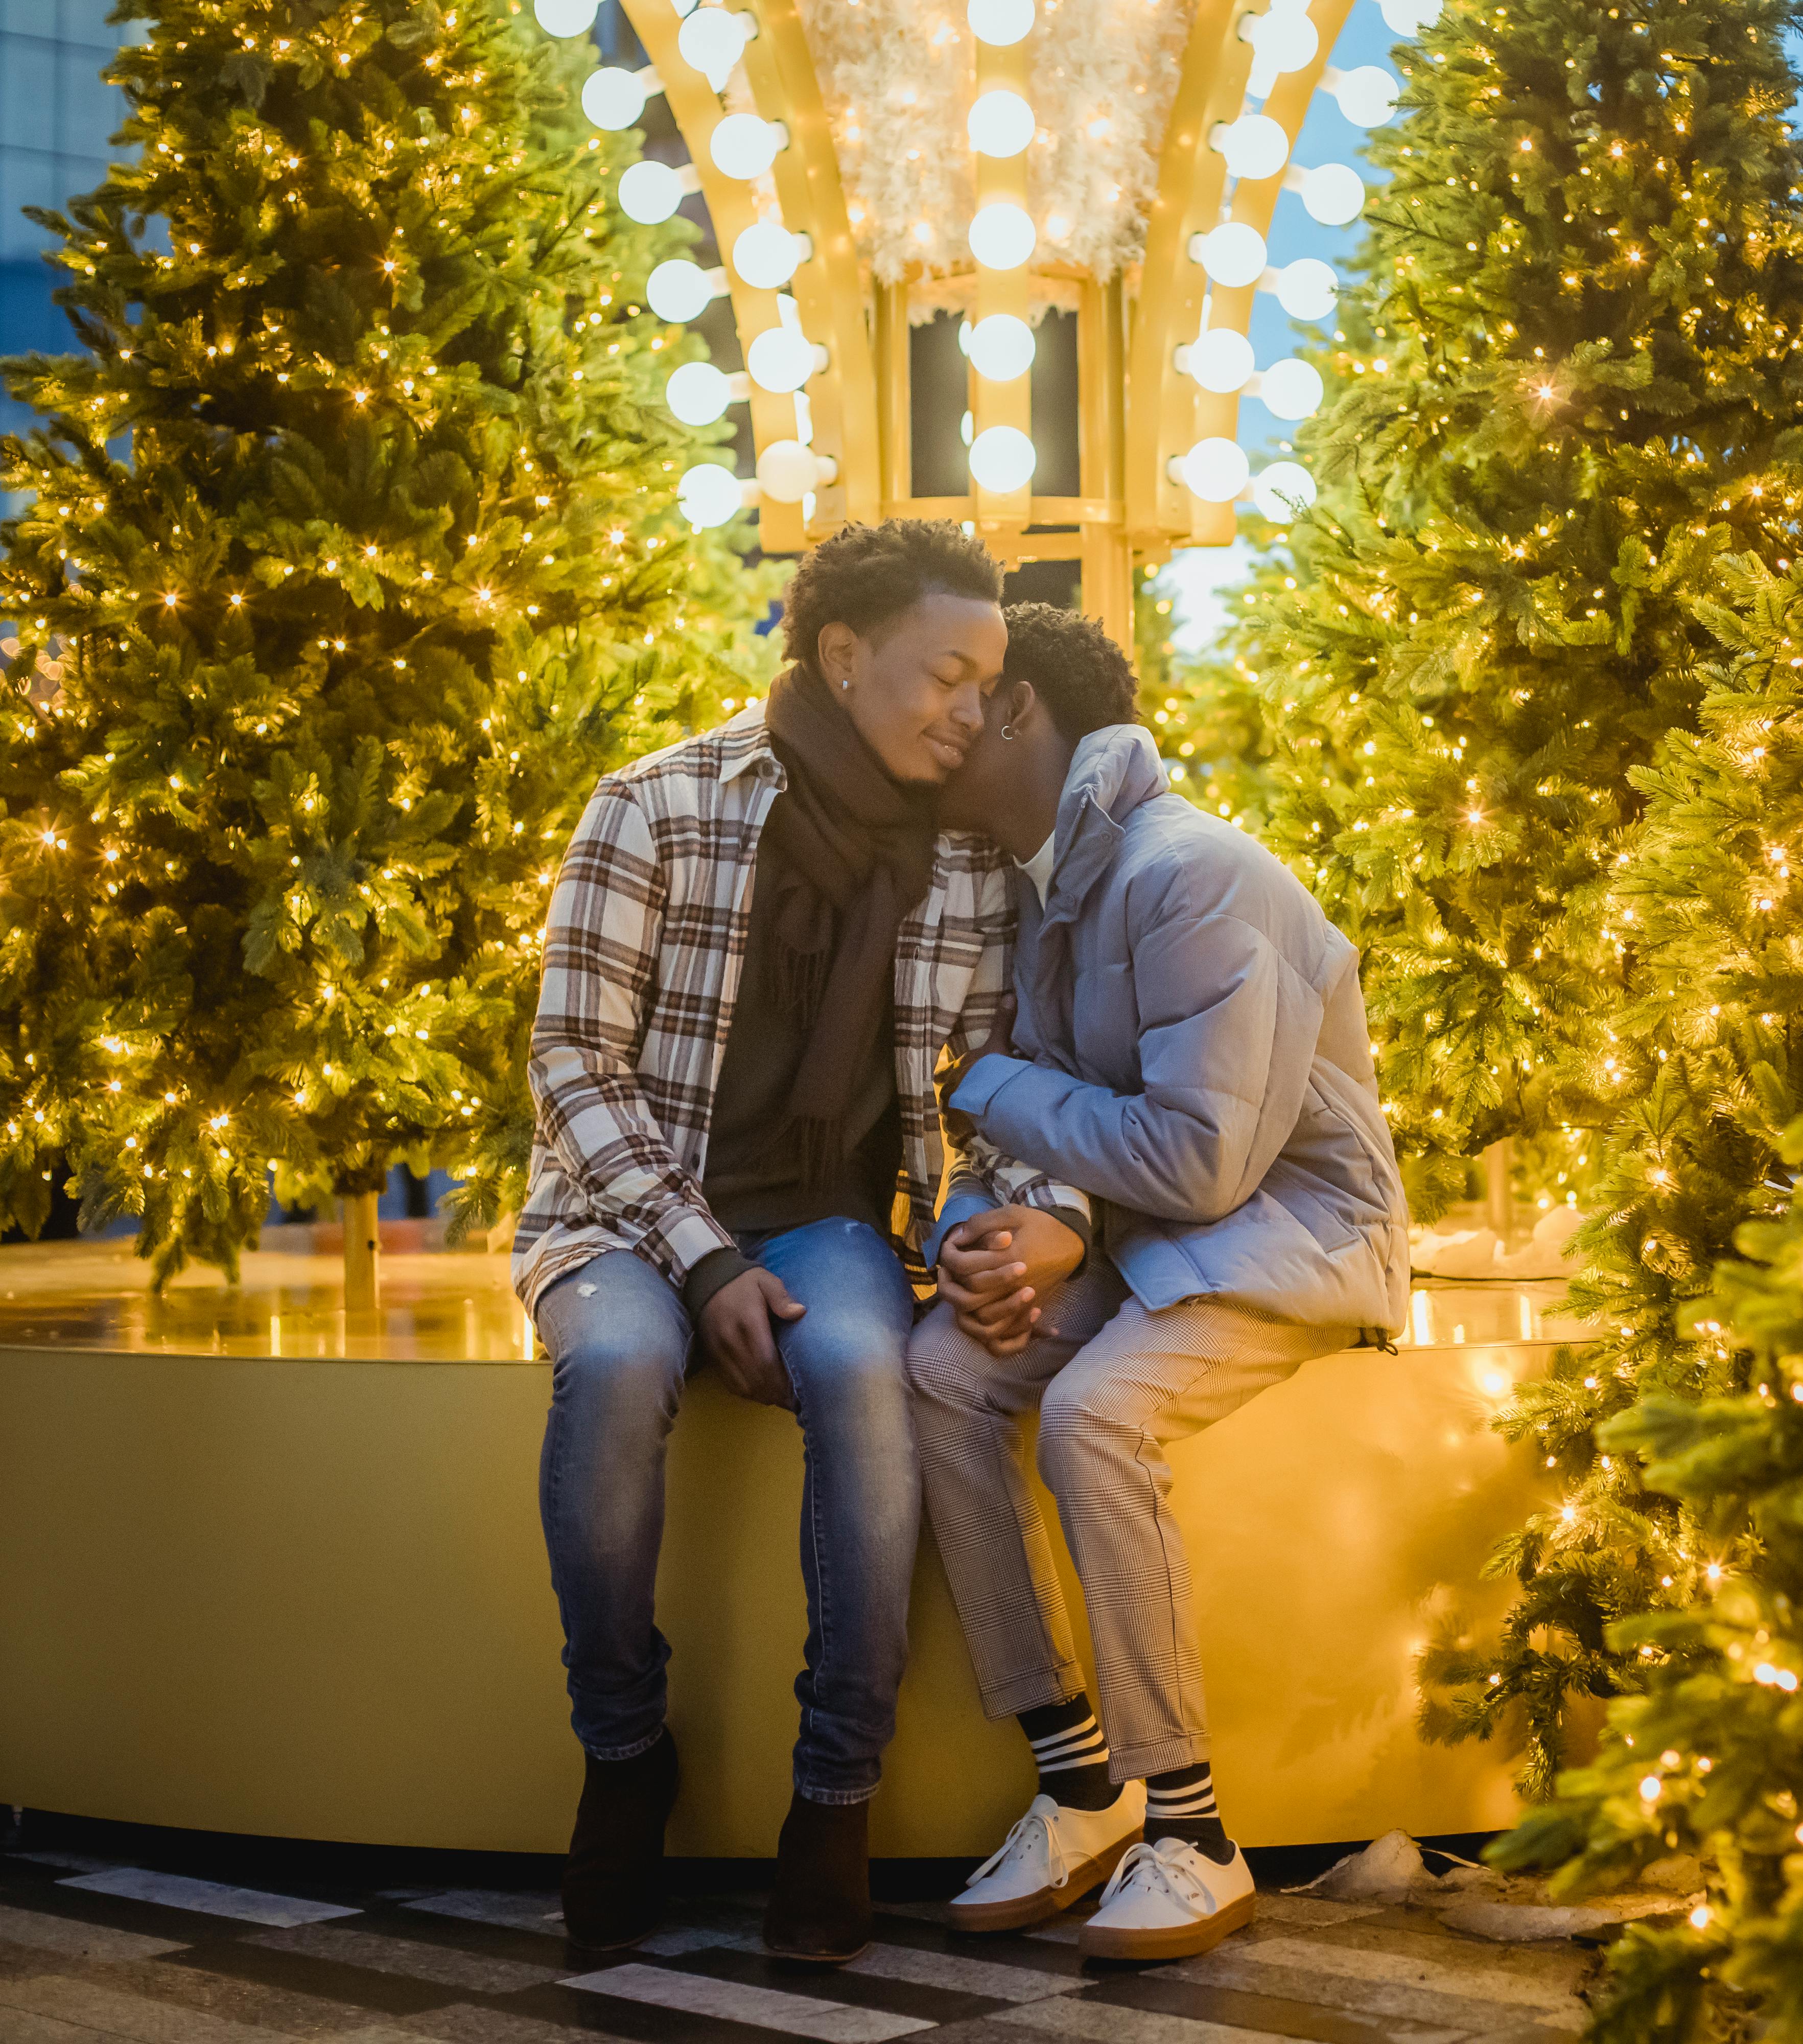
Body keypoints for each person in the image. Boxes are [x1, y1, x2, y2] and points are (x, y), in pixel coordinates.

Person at [513, 522, 1091, 1961]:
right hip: (625, 1207)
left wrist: (1004, 1221)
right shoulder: (657, 806)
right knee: (616, 1374)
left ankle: (835, 1791)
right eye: (945, 675)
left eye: (989, 681)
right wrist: (702, 1260)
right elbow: (575, 1065)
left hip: (829, 1219)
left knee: (863, 1375)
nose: (972, 709)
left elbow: (991, 1080)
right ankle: (625, 1753)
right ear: (843, 657)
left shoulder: (964, 860)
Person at [904, 602, 1411, 1962]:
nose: (942, 724)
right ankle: (1081, 1786)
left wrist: (987, 1085)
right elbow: (1080, 1129)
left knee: (1095, 1418)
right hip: (1150, 1236)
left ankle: (1192, 1831)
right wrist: (1002, 1230)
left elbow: (1197, 1156)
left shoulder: (1192, 872)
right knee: (946, 1373)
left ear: (1025, 713)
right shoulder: (1044, 881)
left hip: (1293, 1235)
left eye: (970, 693)